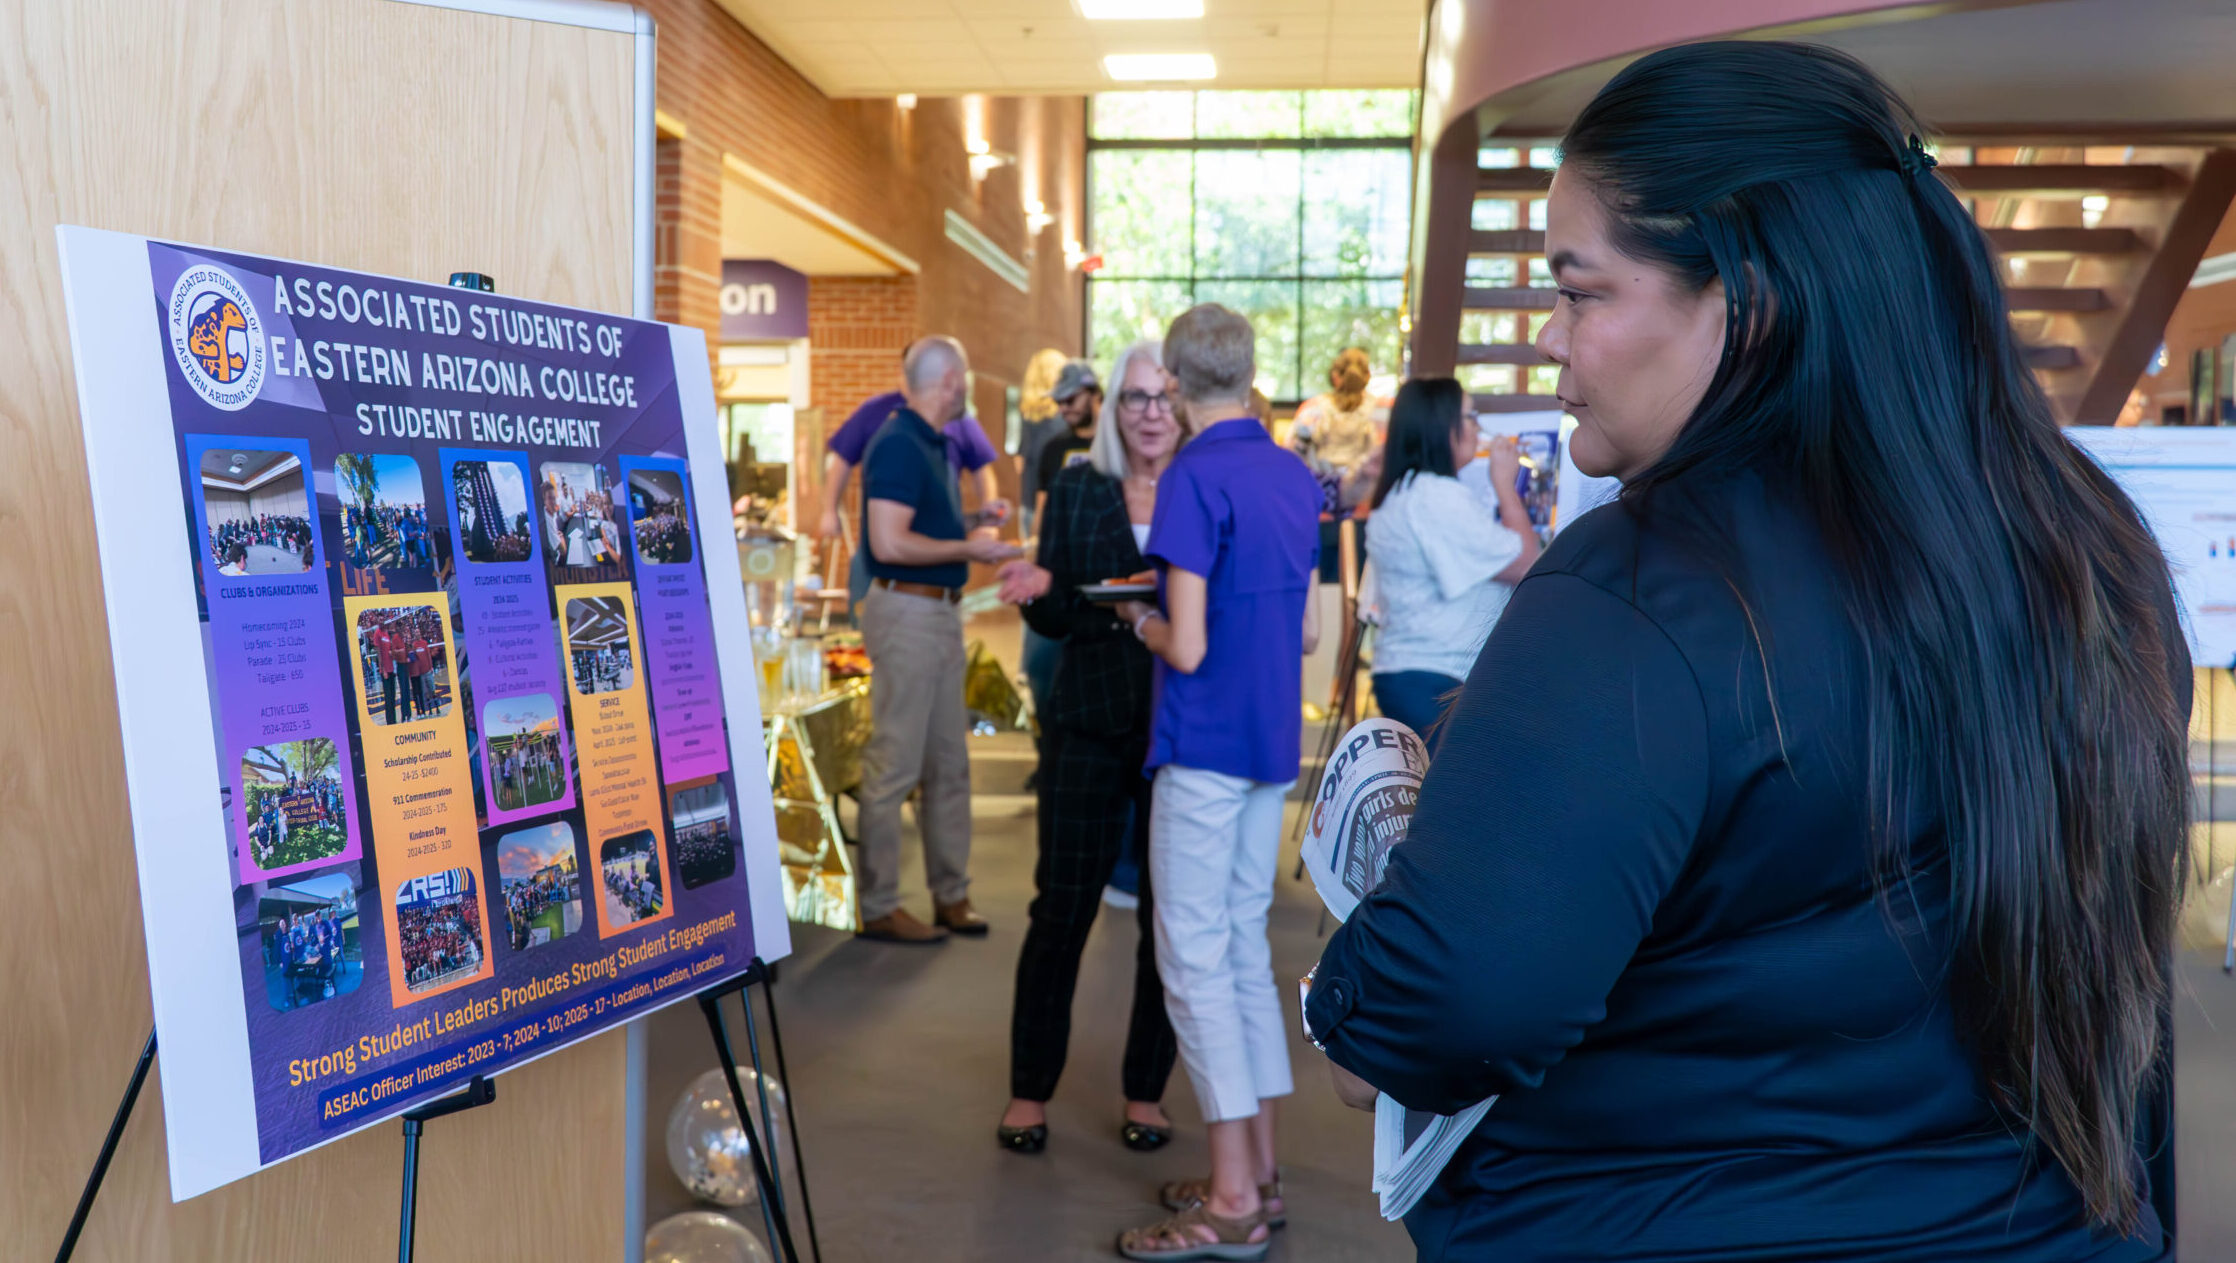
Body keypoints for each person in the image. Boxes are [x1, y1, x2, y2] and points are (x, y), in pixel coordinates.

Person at [1304, 42, 2187, 1262]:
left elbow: (1433, 1019)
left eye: (1580, 292)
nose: (1552, 345)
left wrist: (1365, 936)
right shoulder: (2089, 554)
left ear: (1743, 294)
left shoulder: (1643, 590)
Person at [1113, 305, 1321, 1261]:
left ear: (1179, 381)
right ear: (1246, 372)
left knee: (1193, 964)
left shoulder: (1195, 476)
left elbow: (1186, 644)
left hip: (1201, 744)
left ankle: (1233, 1199)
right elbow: (1312, 632)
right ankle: (1260, 1175)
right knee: (1239, 953)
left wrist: (1141, 621)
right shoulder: (1290, 472)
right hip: (1269, 741)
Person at [991, 340, 1182, 1159]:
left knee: (1168, 924)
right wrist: (1043, 592)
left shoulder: (1201, 489)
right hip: (1088, 721)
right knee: (1060, 909)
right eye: (1135, 398)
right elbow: (1058, 610)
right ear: (1113, 410)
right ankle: (1028, 1091)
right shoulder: (1076, 485)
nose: (1150, 413)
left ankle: (1147, 1089)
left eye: (1164, 397)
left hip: (1179, 730)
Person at [854, 336, 1022, 943]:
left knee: (949, 764)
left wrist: (973, 524)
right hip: (908, 611)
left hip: (937, 614)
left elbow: (915, 526)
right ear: (950, 379)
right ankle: (879, 905)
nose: (969, 387)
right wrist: (969, 547)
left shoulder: (930, 442)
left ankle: (952, 894)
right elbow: (889, 543)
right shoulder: (899, 443)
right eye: (968, 377)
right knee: (895, 765)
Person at [1362, 379, 1540, 751]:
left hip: (1413, 672)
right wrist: (1506, 486)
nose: (1477, 427)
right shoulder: (1437, 497)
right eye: (1470, 416)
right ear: (1443, 427)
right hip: (1435, 677)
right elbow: (1527, 565)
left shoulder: (1406, 491)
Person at [816, 350, 1011, 610]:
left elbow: (981, 468)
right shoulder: (895, 434)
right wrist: (829, 510)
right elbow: (889, 544)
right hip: (903, 590)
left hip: (935, 590)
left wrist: (983, 518)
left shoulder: (951, 424)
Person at [1021, 359, 1102, 791]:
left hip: (1104, 580)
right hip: (1055, 574)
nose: (1065, 409)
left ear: (1094, 394)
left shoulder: (1116, 445)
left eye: (1071, 400)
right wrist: (1034, 560)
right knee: (1039, 669)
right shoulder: (1054, 449)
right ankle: (1048, 755)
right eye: (1060, 401)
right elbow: (1041, 512)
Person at [1288, 347, 1380, 514]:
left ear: (1335, 377)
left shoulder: (1312, 409)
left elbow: (1292, 454)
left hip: (1321, 503)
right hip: (1370, 506)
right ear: (1367, 376)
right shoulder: (1383, 411)